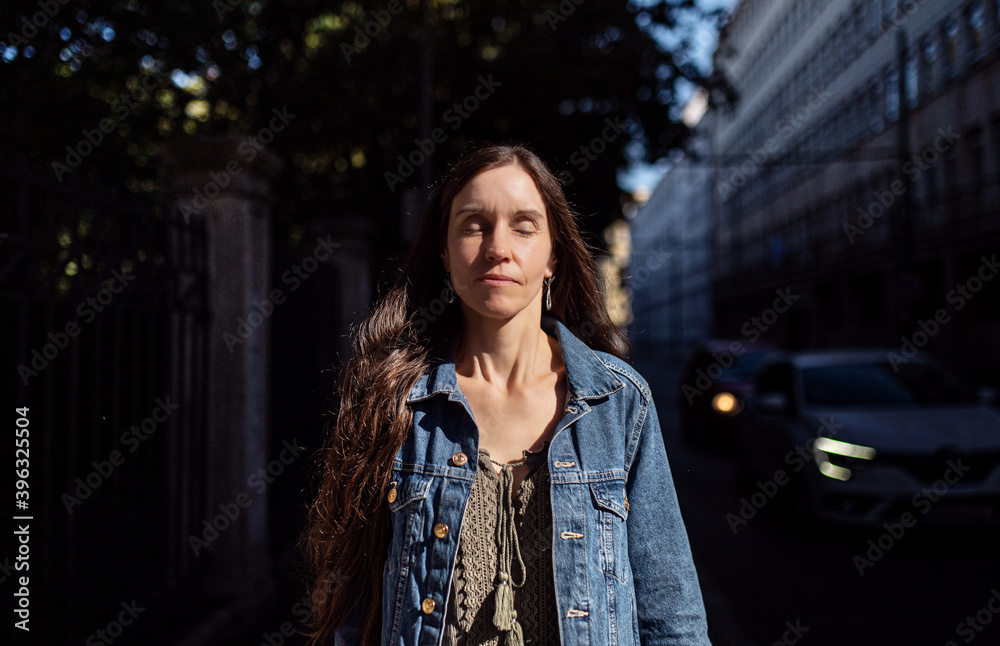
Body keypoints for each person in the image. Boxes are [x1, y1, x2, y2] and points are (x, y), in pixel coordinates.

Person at [301, 143, 711, 646]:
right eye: (474, 224)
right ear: (445, 253)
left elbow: (672, 619)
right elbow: (351, 612)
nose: (498, 246)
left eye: (524, 225)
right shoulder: (393, 401)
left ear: (553, 256)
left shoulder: (619, 404)